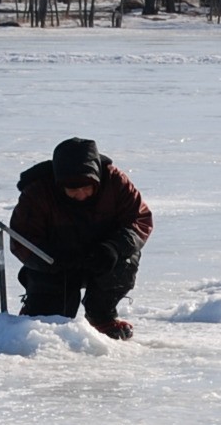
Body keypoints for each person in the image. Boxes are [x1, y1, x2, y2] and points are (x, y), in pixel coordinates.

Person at [9, 136, 151, 339]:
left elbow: (139, 219)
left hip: (101, 256)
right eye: (73, 190)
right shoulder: (38, 191)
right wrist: (49, 257)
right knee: (51, 316)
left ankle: (102, 317)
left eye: (87, 188)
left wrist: (114, 247)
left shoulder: (115, 181)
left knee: (125, 262)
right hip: (56, 262)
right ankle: (37, 314)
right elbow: (21, 238)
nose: (81, 195)